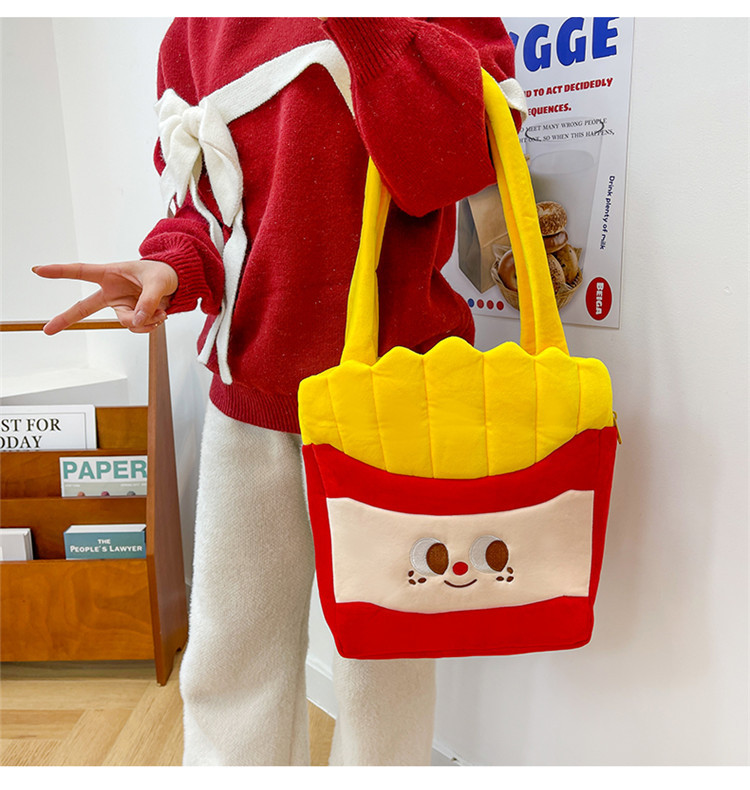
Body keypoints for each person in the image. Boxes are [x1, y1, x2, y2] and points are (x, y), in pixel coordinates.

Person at [34, 17, 522, 766]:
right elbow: (207, 212)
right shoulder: (194, 33)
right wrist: (170, 267)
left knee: (385, 664)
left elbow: (454, 166)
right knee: (231, 653)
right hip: (250, 393)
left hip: (393, 402)